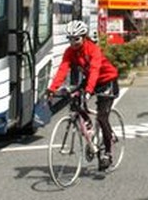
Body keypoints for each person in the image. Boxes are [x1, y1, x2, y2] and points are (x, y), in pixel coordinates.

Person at [47, 20, 120, 171]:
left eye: (77, 39)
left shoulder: (93, 50)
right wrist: (52, 89)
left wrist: (88, 92)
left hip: (107, 81)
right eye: (70, 39)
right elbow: (62, 70)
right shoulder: (70, 52)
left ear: (84, 37)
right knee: (74, 101)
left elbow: (94, 70)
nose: (73, 42)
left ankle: (107, 152)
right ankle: (88, 125)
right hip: (91, 81)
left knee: (102, 117)